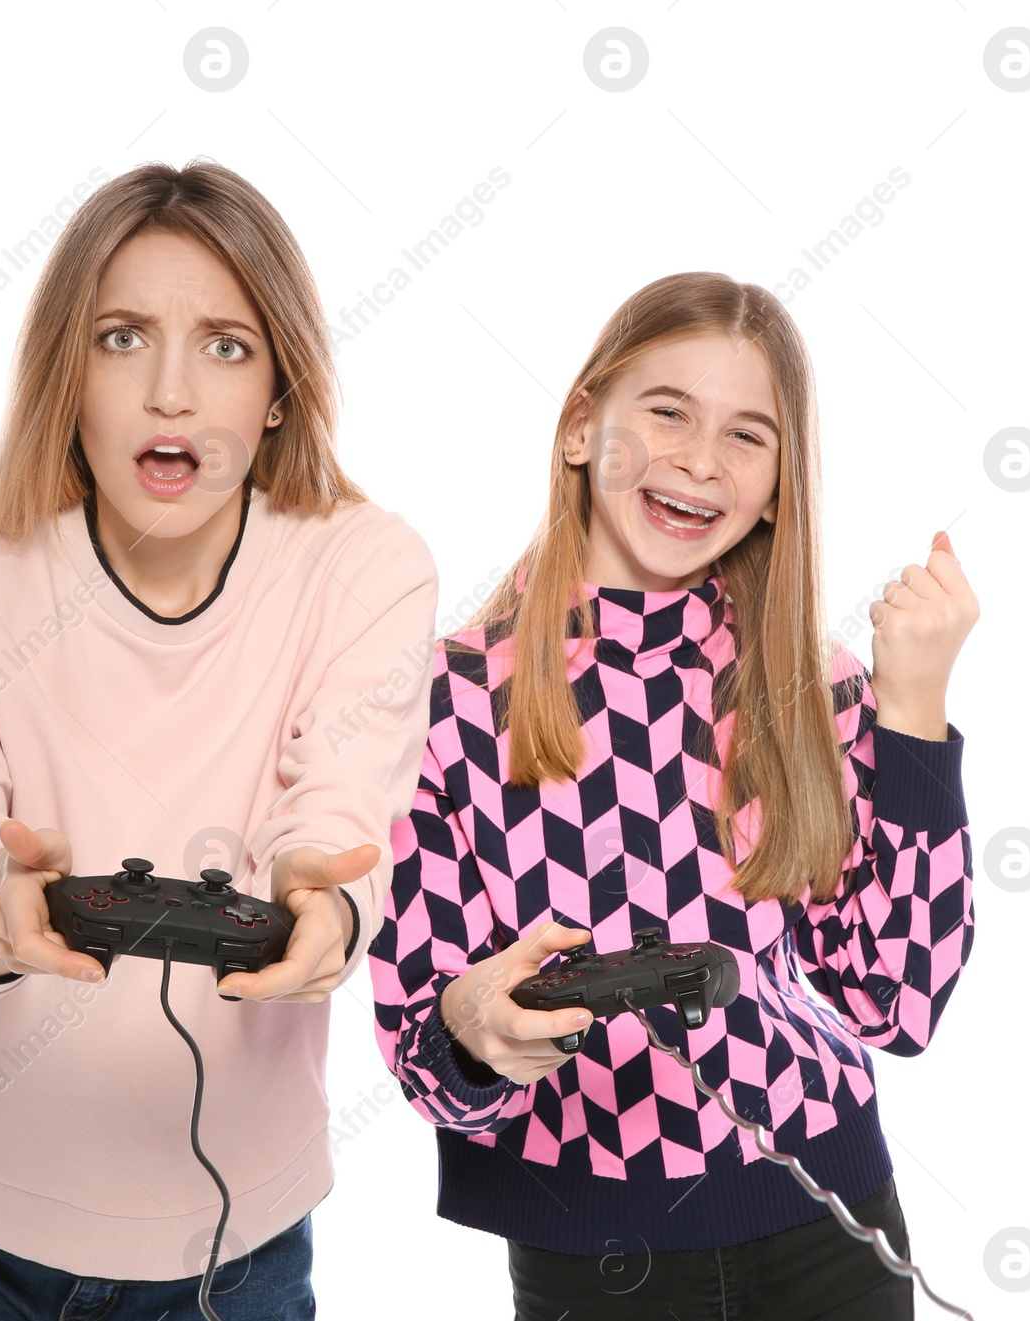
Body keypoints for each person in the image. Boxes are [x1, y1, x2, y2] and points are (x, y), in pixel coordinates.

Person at [0, 159, 439, 1321]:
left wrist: (330, 912)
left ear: (277, 390)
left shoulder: (365, 563)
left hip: (231, 1250)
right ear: (67, 373)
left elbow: (343, 811)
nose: (170, 392)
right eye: (119, 338)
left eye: (224, 344)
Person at [368, 272, 979, 1321]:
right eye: (666, 412)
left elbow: (899, 997)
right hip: (589, 1253)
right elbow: (430, 1055)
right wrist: (470, 1029)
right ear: (578, 430)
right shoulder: (441, 702)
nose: (700, 459)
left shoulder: (810, 685)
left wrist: (912, 712)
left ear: (780, 485)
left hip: (829, 1217)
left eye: (748, 436)